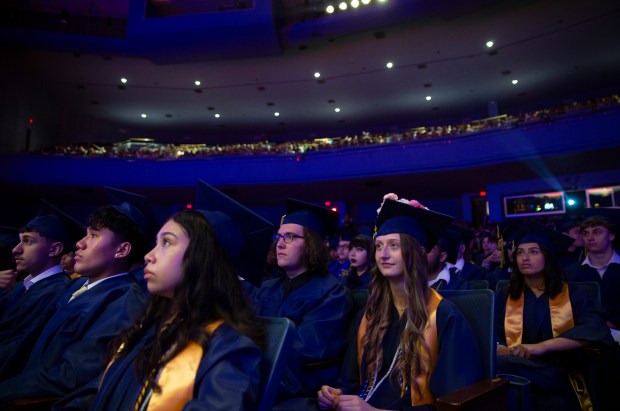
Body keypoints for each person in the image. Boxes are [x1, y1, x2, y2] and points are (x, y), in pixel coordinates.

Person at [90, 205, 266, 410]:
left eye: (166, 242)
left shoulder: (229, 347)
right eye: (156, 243)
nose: (149, 255)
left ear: (204, 258)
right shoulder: (148, 330)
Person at [318, 194, 483, 411]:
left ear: (417, 252)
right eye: (379, 246)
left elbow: (452, 403)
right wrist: (335, 396)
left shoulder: (443, 317)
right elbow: (350, 381)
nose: (383, 254)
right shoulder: (368, 316)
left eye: (394, 245)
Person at [0, 197, 150, 407]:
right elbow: (26, 339)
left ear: (122, 250)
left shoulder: (123, 302)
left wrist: (5, 389)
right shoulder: (74, 287)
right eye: (85, 234)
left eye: (94, 235)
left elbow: (72, 375)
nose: (79, 243)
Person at [496, 221, 616, 411]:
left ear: (548, 256)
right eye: (520, 252)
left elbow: (595, 329)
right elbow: (491, 335)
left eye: (534, 251)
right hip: (516, 371)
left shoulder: (574, 294)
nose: (525, 258)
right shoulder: (505, 296)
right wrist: (501, 348)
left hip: (561, 374)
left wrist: (541, 347)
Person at [244, 198, 353, 406]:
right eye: (279, 236)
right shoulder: (265, 288)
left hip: (296, 391)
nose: (280, 244)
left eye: (291, 237)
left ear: (311, 243)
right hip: (254, 376)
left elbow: (300, 356)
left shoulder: (332, 294)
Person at [0, 201, 83, 378]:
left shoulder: (58, 291)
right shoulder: (22, 286)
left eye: (28, 241)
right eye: (19, 241)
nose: (16, 249)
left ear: (54, 249)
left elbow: (18, 346)